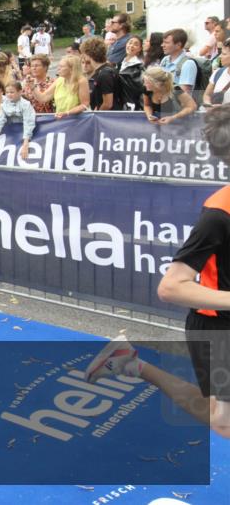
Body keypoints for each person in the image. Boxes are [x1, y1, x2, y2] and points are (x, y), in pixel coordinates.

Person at [86, 104, 230, 439]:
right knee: (224, 423)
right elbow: (171, 288)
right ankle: (133, 365)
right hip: (217, 326)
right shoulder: (218, 214)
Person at [31, 54, 90, 120]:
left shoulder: (81, 81)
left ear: (71, 68)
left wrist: (67, 113)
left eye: (61, 67)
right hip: (61, 119)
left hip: (76, 119)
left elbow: (85, 104)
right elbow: (43, 98)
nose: (58, 69)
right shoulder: (59, 80)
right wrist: (32, 86)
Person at [0, 81, 37, 160]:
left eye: (12, 92)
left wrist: (25, 144)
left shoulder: (26, 105)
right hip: (12, 136)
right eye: (7, 92)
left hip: (27, 136)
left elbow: (28, 124)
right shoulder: (3, 105)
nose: (9, 94)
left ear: (20, 92)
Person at [82, 37, 119, 111]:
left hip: (107, 118)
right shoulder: (106, 69)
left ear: (89, 54)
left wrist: (97, 114)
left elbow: (108, 104)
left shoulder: (104, 74)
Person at [118, 35, 146, 110]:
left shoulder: (139, 66)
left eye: (136, 44)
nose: (131, 46)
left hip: (131, 104)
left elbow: (139, 89)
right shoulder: (120, 63)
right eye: (130, 43)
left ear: (140, 49)